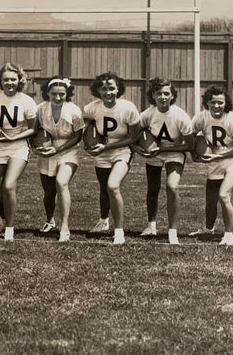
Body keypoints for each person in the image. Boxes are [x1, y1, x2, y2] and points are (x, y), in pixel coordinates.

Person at [0, 62, 39, 242]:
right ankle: (4, 220)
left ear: (20, 80)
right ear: (0, 81)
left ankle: (10, 230)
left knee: (8, 185)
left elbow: (33, 129)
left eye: (13, 79)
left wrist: (14, 138)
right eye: (6, 80)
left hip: (18, 146)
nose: (10, 83)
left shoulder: (27, 101)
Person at [82, 71, 141, 246]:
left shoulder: (128, 108)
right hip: (102, 151)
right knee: (103, 188)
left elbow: (133, 138)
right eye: (103, 88)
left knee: (112, 186)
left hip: (122, 150)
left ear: (118, 89)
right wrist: (89, 144)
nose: (108, 92)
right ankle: (103, 221)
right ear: (98, 90)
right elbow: (86, 129)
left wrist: (106, 146)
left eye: (111, 88)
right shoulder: (92, 108)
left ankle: (119, 231)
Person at [136, 77, 195, 245]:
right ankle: (151, 226)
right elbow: (134, 134)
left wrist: (164, 149)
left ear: (172, 96)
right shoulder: (148, 114)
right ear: (153, 95)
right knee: (153, 188)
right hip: (156, 151)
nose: (163, 97)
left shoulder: (180, 116)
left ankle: (172, 231)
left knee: (172, 186)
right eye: (159, 93)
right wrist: (139, 149)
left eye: (166, 93)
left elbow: (189, 145)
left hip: (175, 151)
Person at [190, 85, 233, 246]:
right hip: (214, 158)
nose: (216, 106)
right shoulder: (201, 117)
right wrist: (194, 154)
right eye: (213, 102)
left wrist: (217, 155)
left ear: (225, 103)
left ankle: (229, 235)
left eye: (220, 103)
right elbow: (191, 136)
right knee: (211, 200)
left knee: (224, 195)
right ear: (207, 103)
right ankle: (209, 229)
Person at [33, 76, 85, 243]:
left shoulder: (74, 111)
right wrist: (36, 148)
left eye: (61, 94)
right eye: (53, 93)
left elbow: (78, 137)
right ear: (47, 92)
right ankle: (50, 221)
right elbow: (34, 131)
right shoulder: (40, 109)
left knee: (61, 183)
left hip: (68, 150)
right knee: (48, 193)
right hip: (47, 149)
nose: (57, 97)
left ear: (67, 94)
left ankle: (64, 227)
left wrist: (58, 149)